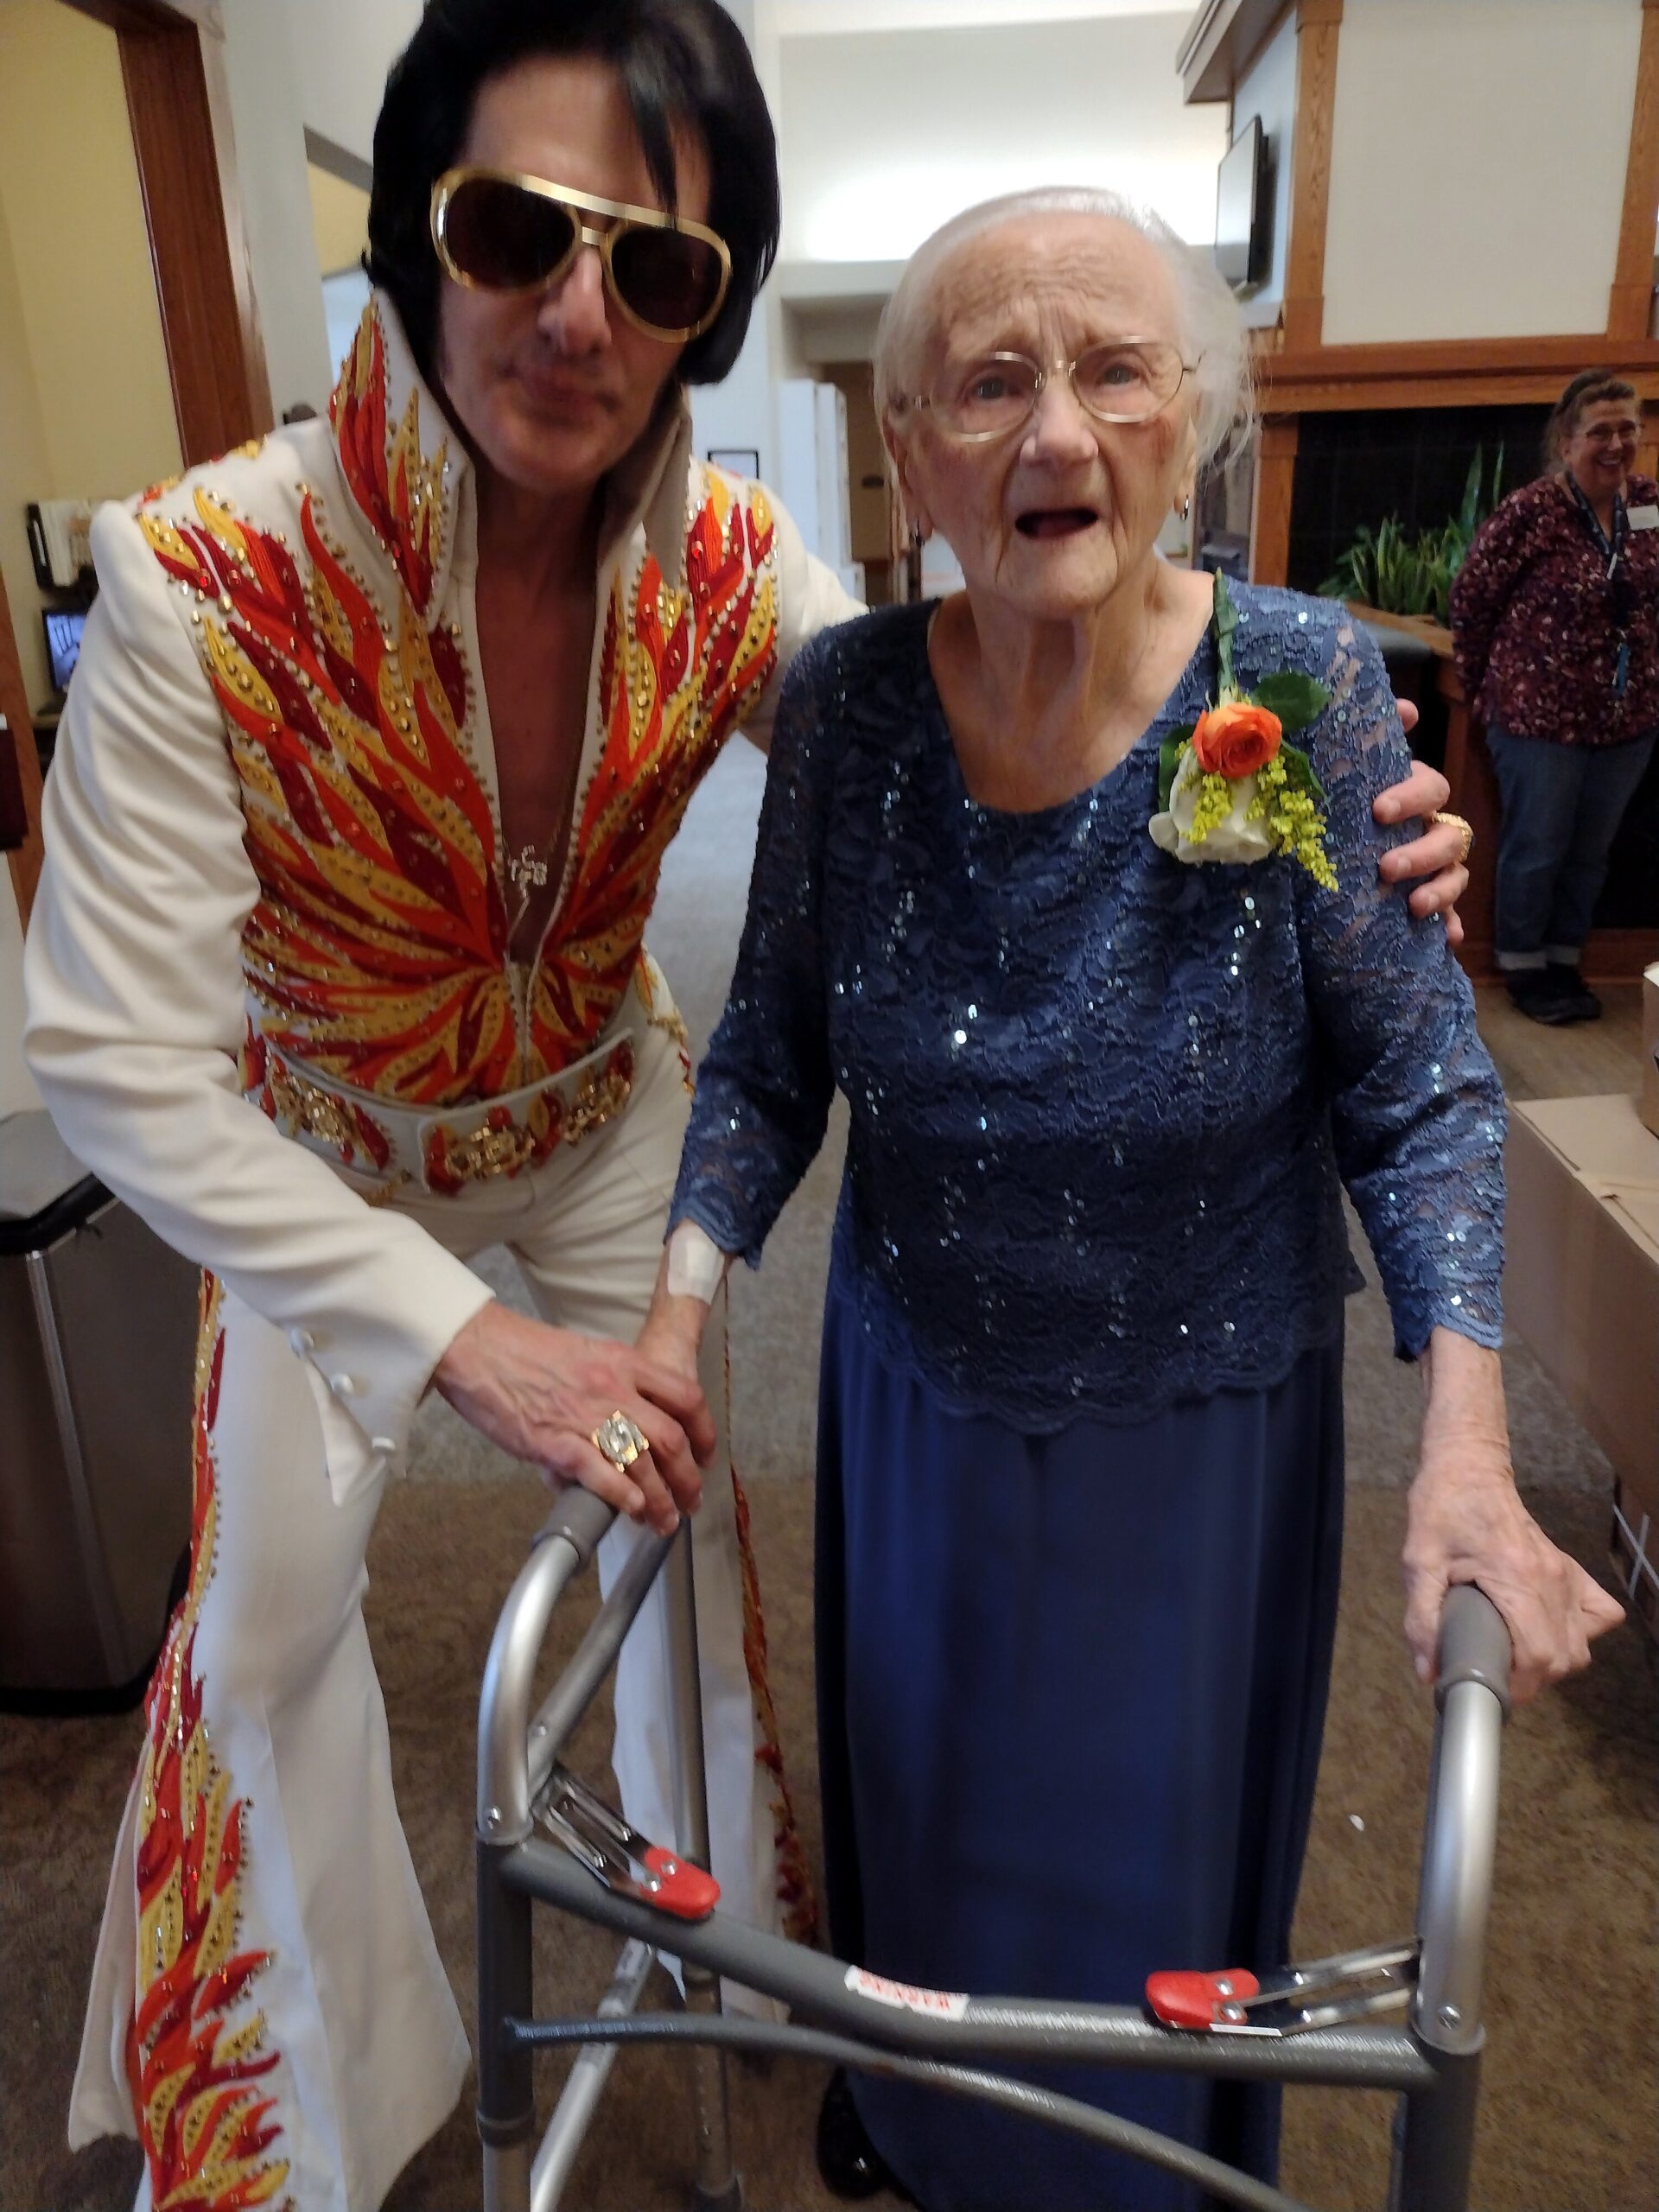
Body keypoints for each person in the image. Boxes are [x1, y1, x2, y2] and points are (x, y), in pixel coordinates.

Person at [22, 4, 1465, 2203]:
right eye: (517, 230)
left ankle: (728, 1975)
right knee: (256, 1633)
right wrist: (468, 1342)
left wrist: (1351, 806)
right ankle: (268, 2133)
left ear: (707, 307)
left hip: (607, 1104)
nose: (579, 312)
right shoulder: (197, 574)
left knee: (690, 1546)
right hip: (326, 1148)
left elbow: (984, 684)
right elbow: (116, 1060)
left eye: (658, 265)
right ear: (413, 230)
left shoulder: (721, 564)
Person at [643, 189, 1624, 2212]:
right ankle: (922, 2107)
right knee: (925, 1801)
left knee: (1140, 1868)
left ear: (1195, 421)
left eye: (1113, 372)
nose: (1055, 434)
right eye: (988, 383)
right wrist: (668, 1325)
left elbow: (1419, 1089)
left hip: (1202, 1429)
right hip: (913, 1397)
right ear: (906, 450)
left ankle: (1127, 2166)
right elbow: (763, 1059)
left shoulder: (1302, 681)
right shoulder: (842, 708)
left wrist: (1465, 1446)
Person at [1452, 371, 1659, 1024]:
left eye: (1627, 429)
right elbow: (1471, 599)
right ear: (1567, 443)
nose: (1616, 444)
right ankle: (1523, 966)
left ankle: (1565, 958)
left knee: (1590, 853)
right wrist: (1481, 685)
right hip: (1537, 717)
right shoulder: (1532, 512)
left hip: (1626, 720)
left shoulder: (1649, 504)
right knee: (1537, 847)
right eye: (1600, 432)